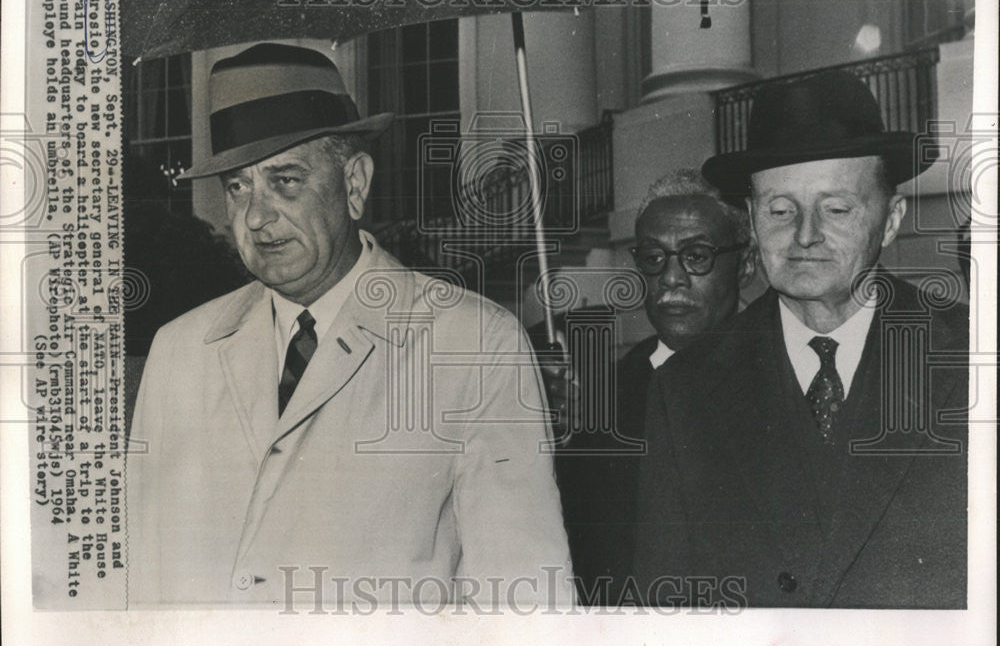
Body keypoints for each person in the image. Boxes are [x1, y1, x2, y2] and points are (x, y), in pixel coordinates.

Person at [127, 43, 574, 608]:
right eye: (238, 187)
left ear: (355, 183)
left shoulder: (475, 344)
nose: (256, 216)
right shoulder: (180, 350)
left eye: (285, 180)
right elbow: (140, 588)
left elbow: (524, 603)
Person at [633, 70, 968, 609]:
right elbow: (666, 614)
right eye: (781, 210)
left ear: (890, 221)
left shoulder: (971, 358)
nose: (805, 234)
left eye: (836, 209)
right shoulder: (685, 389)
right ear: (751, 219)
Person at [552, 170, 756, 603]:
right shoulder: (612, 387)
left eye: (697, 256)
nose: (671, 278)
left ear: (747, 264)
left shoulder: (785, 366)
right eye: (653, 259)